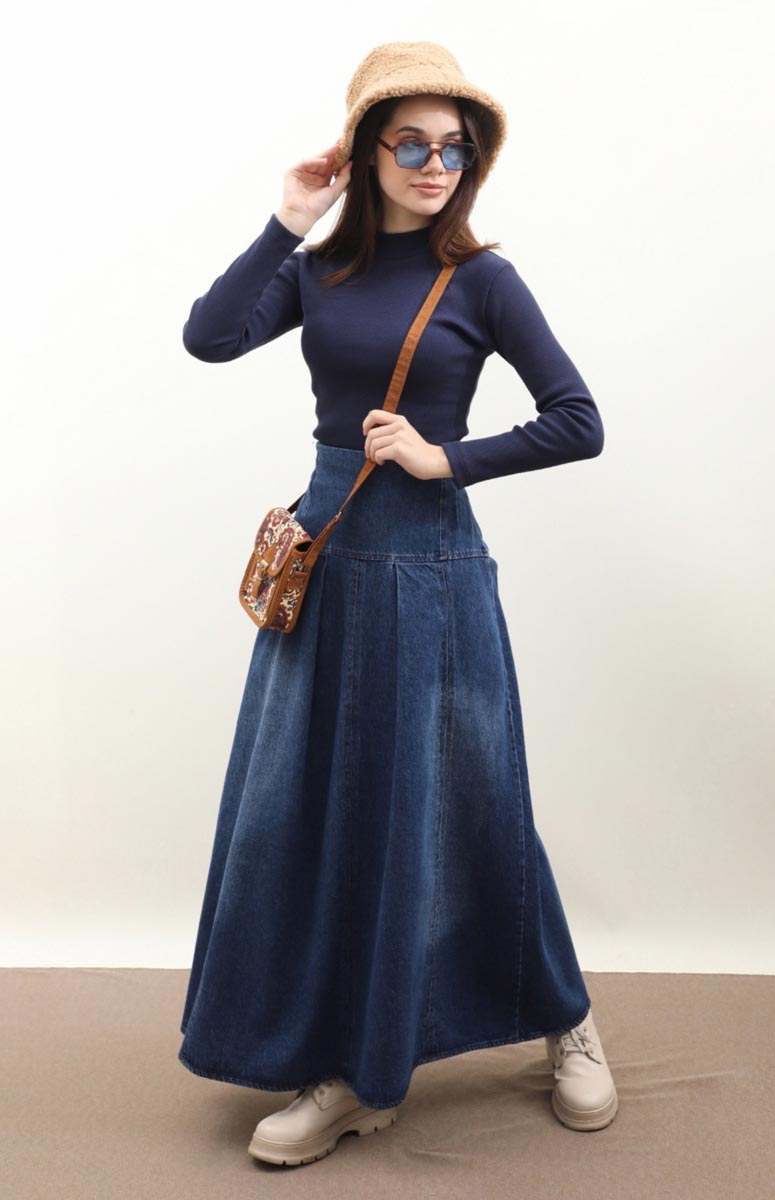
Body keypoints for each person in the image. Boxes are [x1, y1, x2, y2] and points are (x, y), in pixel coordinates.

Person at [177, 40, 619, 1167]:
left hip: (429, 568)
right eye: (410, 143)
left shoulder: (482, 279)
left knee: (466, 804)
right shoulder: (319, 271)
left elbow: (577, 419)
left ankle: (564, 1018)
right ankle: (347, 1063)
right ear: (365, 151)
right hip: (326, 562)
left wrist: (445, 459)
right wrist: (289, 217)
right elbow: (209, 337)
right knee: (312, 806)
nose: (434, 165)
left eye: (453, 148)